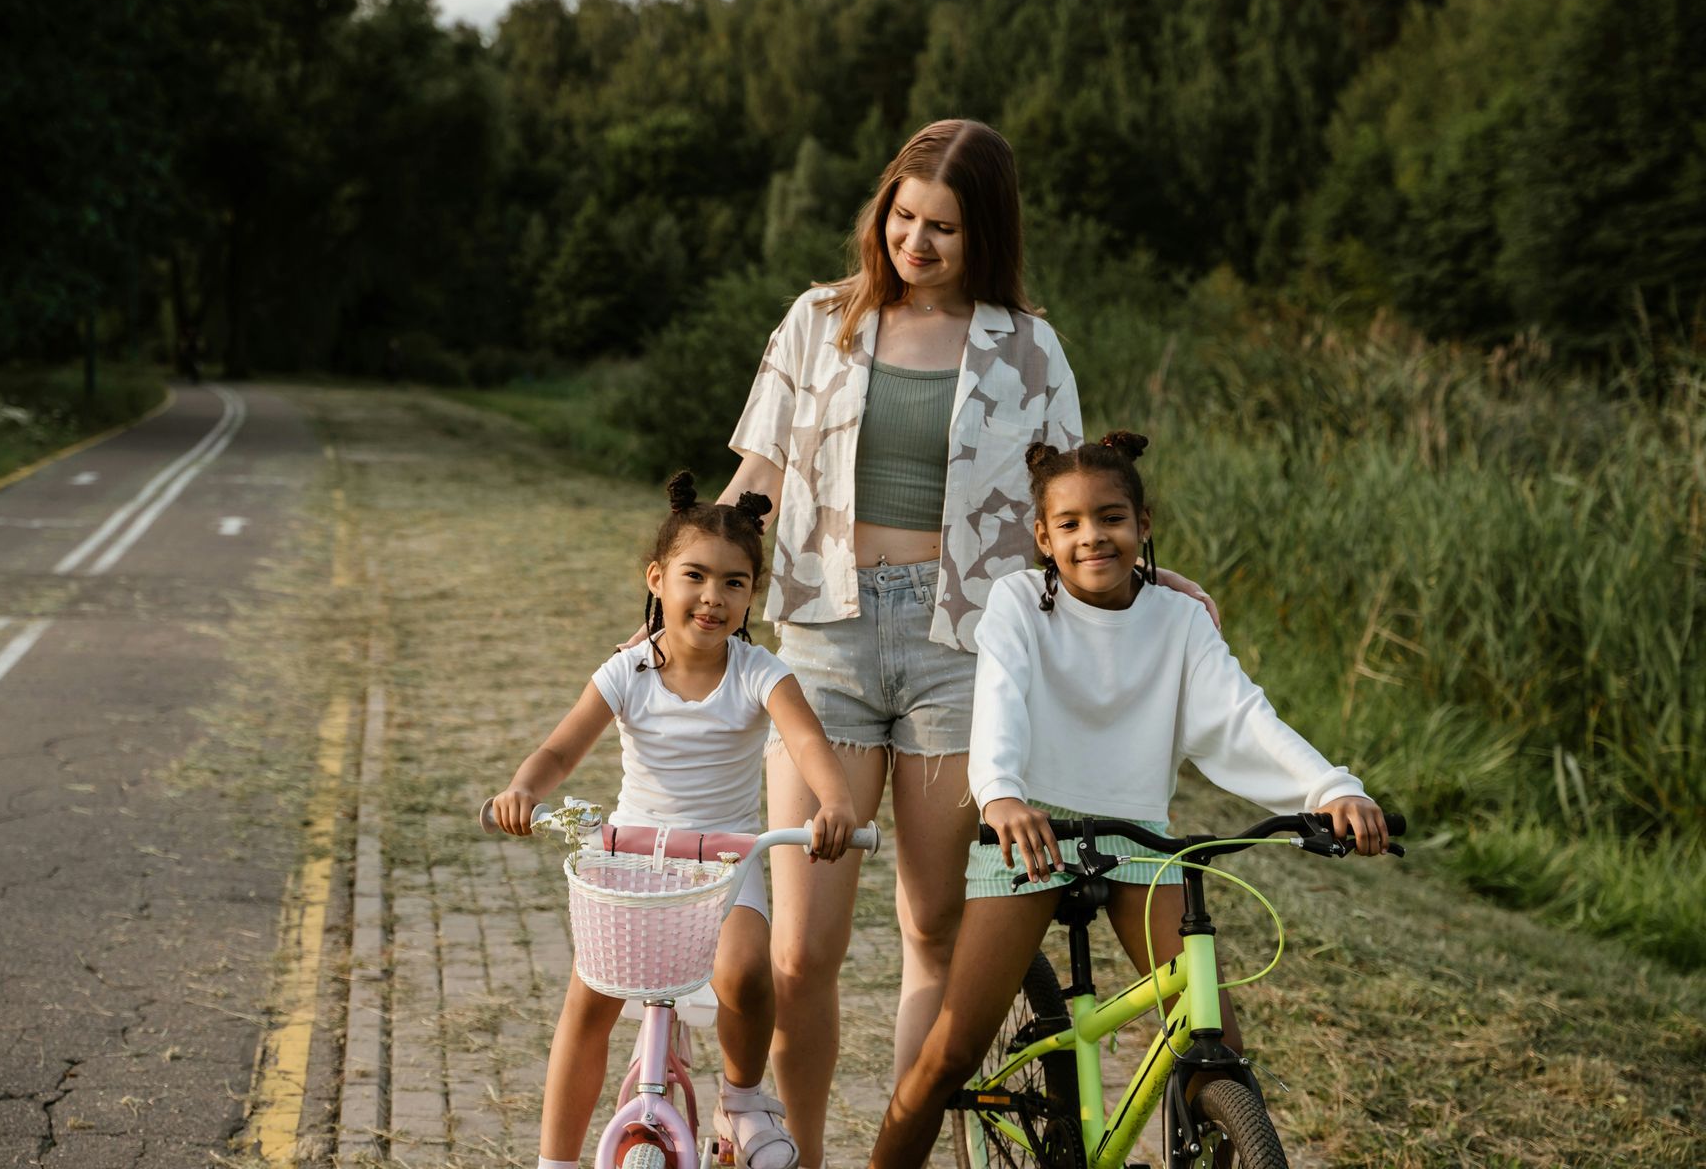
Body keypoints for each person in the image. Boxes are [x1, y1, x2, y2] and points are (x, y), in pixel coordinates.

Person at [717, 118, 1216, 1167]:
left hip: (964, 650)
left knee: (935, 928)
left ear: (983, 230)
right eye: (902, 217)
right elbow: (756, 475)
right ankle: (799, 1153)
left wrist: (1148, 575)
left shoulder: (1029, 347)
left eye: (943, 226)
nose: (916, 242)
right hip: (825, 642)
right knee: (805, 950)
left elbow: (1072, 503)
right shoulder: (817, 321)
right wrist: (699, 572)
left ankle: (903, 1154)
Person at [864, 432, 1390, 1167]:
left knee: (1216, 1048)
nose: (1092, 537)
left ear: (1144, 523)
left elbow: (1242, 717)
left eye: (1111, 518)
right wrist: (1004, 797)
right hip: (1031, 833)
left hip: (1138, 839)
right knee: (950, 1052)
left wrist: (1332, 788)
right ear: (1043, 537)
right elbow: (1002, 702)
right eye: (1070, 524)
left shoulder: (1178, 622)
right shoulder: (1019, 602)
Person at [488, 472, 859, 1169]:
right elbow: (561, 749)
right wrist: (522, 789)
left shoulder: (759, 673)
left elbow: (809, 745)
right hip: (629, 858)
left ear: (753, 595)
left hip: (724, 863)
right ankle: (555, 1160)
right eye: (695, 576)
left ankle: (743, 1100)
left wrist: (835, 802)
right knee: (588, 1001)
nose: (713, 598)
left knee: (748, 975)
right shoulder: (626, 672)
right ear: (658, 579)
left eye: (734, 583)